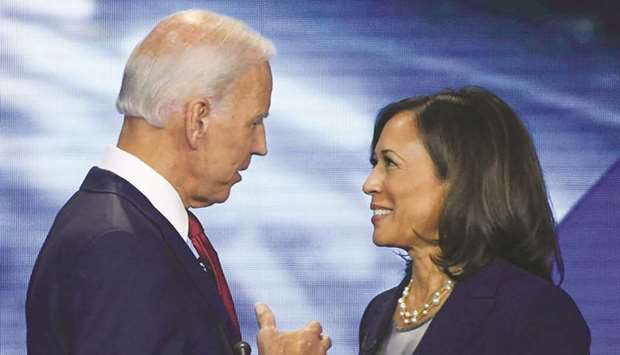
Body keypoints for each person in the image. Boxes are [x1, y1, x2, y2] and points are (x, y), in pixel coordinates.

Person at [26, 9, 330, 355]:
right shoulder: (119, 244)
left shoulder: (117, 223)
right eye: (254, 122)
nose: (261, 146)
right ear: (197, 119)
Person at [358, 87, 590, 355]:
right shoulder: (379, 312)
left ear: (460, 179)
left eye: (390, 163)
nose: (370, 184)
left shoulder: (533, 312)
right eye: (374, 163)